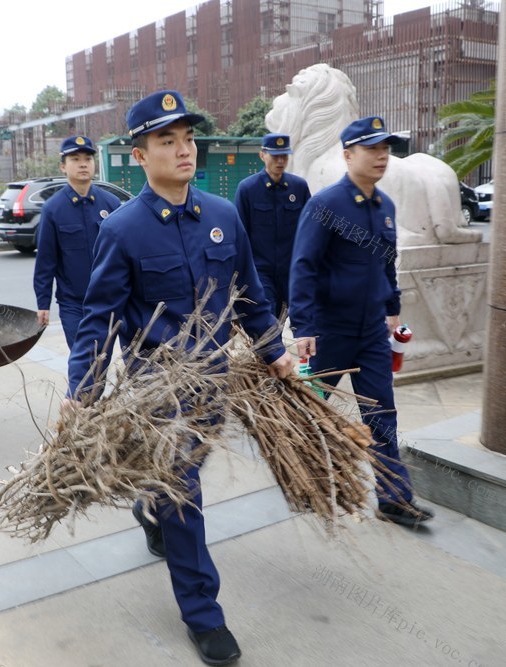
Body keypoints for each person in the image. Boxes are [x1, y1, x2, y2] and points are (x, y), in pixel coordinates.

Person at [65, 90, 294, 666]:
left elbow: (252, 300)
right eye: (167, 140)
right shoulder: (122, 229)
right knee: (186, 492)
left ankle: (150, 508)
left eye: (188, 138)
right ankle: (204, 614)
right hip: (156, 390)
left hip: (213, 383)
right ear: (139, 155)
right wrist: (82, 393)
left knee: (181, 481)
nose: (184, 149)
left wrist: (276, 354)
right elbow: (100, 320)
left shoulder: (222, 216)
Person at [288, 116, 434, 527]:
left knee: (382, 414)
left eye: (385, 148)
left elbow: (388, 264)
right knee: (312, 412)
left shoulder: (385, 207)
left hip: (371, 334)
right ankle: (300, 478)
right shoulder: (326, 206)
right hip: (330, 334)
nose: (382, 156)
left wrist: (392, 307)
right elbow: (303, 268)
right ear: (348, 154)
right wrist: (304, 330)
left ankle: (393, 498)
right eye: (372, 148)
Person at [34, 135, 122, 349]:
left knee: (103, 360)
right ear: (63, 167)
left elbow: (124, 253)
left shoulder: (111, 204)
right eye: (75, 159)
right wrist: (43, 304)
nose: (83, 164)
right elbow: (46, 261)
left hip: (109, 300)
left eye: (88, 159)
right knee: (83, 362)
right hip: (74, 304)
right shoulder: (53, 209)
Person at [233, 132, 311, 318]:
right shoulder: (248, 189)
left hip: (291, 271)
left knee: (283, 317)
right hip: (260, 271)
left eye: (284, 156)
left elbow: (309, 229)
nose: (280, 161)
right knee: (267, 319)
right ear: (262, 155)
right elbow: (240, 235)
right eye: (275, 156)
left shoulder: (298, 187)